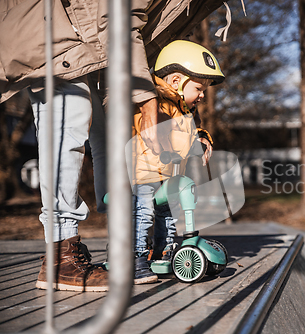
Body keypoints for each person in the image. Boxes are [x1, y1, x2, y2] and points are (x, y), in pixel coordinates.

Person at [0, 0, 210, 292]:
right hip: (49, 22)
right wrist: (145, 96)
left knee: (106, 131)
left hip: (89, 34)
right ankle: (60, 251)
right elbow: (119, 19)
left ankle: (123, 246)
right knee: (69, 111)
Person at [131, 40, 225, 284]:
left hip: (166, 173)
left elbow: (191, 132)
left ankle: (164, 251)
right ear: (175, 82)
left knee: (168, 212)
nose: (203, 95)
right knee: (143, 212)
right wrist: (192, 143)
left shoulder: (183, 109)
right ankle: (136, 257)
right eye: (199, 88)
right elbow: (165, 134)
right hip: (145, 172)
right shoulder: (156, 104)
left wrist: (203, 137)